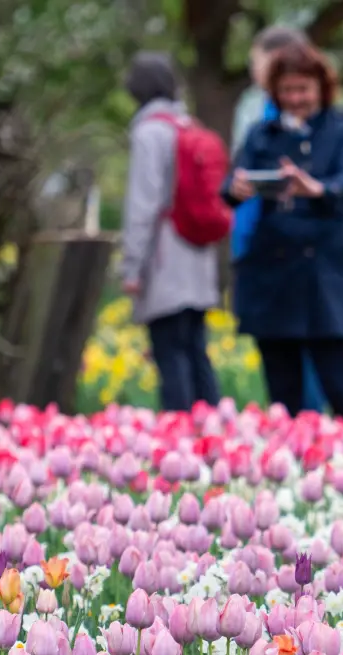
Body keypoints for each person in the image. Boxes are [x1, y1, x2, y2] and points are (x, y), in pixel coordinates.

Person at [221, 42, 343, 418]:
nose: (295, 98)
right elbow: (231, 186)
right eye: (287, 90)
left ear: (321, 87)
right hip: (273, 276)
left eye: (303, 89)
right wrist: (236, 189)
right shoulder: (261, 134)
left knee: (341, 387)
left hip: (323, 275)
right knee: (283, 395)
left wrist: (318, 189)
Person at [230, 26, 328, 415]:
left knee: (302, 362)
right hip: (271, 253)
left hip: (284, 253)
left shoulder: (281, 115)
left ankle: (309, 436)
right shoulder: (260, 112)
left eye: (257, 61)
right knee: (289, 364)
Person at [119, 52, 221, 412]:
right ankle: (213, 430)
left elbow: (143, 206)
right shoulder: (187, 125)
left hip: (165, 260)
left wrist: (132, 267)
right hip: (197, 256)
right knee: (196, 350)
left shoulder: (150, 132)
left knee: (170, 353)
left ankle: (178, 435)